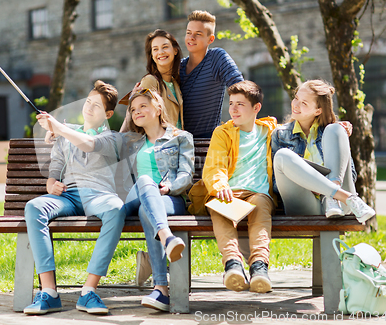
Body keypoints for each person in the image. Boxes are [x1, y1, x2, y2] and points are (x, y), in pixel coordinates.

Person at [37, 88, 195, 312]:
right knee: (144, 182)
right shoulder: (129, 139)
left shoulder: (181, 137)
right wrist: (56, 131)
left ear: (158, 108)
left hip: (169, 199)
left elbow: (186, 176)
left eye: (143, 106)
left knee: (145, 206)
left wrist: (169, 187)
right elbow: (92, 137)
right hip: (137, 194)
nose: (136, 112)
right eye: (133, 109)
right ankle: (166, 246)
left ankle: (161, 288)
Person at [23, 81, 125, 316]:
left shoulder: (112, 138)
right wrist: (51, 182)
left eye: (97, 106)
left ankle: (89, 291)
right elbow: (57, 162)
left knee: (116, 209)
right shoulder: (65, 132)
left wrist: (58, 127)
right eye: (88, 101)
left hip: (98, 195)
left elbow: (89, 144)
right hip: (68, 196)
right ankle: (49, 293)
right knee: (33, 207)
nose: (89, 107)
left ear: (108, 114)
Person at [188, 80, 277, 293]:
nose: (233, 109)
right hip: (229, 192)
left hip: (258, 193)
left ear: (256, 108)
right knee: (218, 208)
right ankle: (233, 265)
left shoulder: (270, 131)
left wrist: (336, 124)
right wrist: (219, 186)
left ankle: (259, 267)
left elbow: (300, 126)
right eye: (231, 103)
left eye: (240, 104)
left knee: (261, 208)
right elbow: (214, 165)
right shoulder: (223, 132)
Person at [271, 79, 376, 223]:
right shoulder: (279, 134)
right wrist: (313, 184)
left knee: (336, 128)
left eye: (304, 103)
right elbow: (276, 183)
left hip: (339, 206)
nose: (296, 104)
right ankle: (341, 196)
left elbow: (350, 174)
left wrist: (327, 187)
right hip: (304, 204)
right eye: (296, 98)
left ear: (318, 110)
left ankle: (332, 198)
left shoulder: (334, 131)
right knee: (282, 156)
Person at [179, 10, 244, 138]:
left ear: (210, 39)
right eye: (188, 33)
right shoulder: (178, 67)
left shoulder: (216, 58)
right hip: (177, 143)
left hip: (208, 141)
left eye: (198, 34)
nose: (191, 37)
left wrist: (237, 120)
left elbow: (240, 86)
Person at [120, 29, 184, 130]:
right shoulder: (150, 81)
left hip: (177, 142)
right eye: (155, 49)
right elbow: (138, 119)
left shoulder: (175, 83)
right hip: (158, 144)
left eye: (165, 47)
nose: (161, 52)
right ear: (152, 55)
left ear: (175, 50)